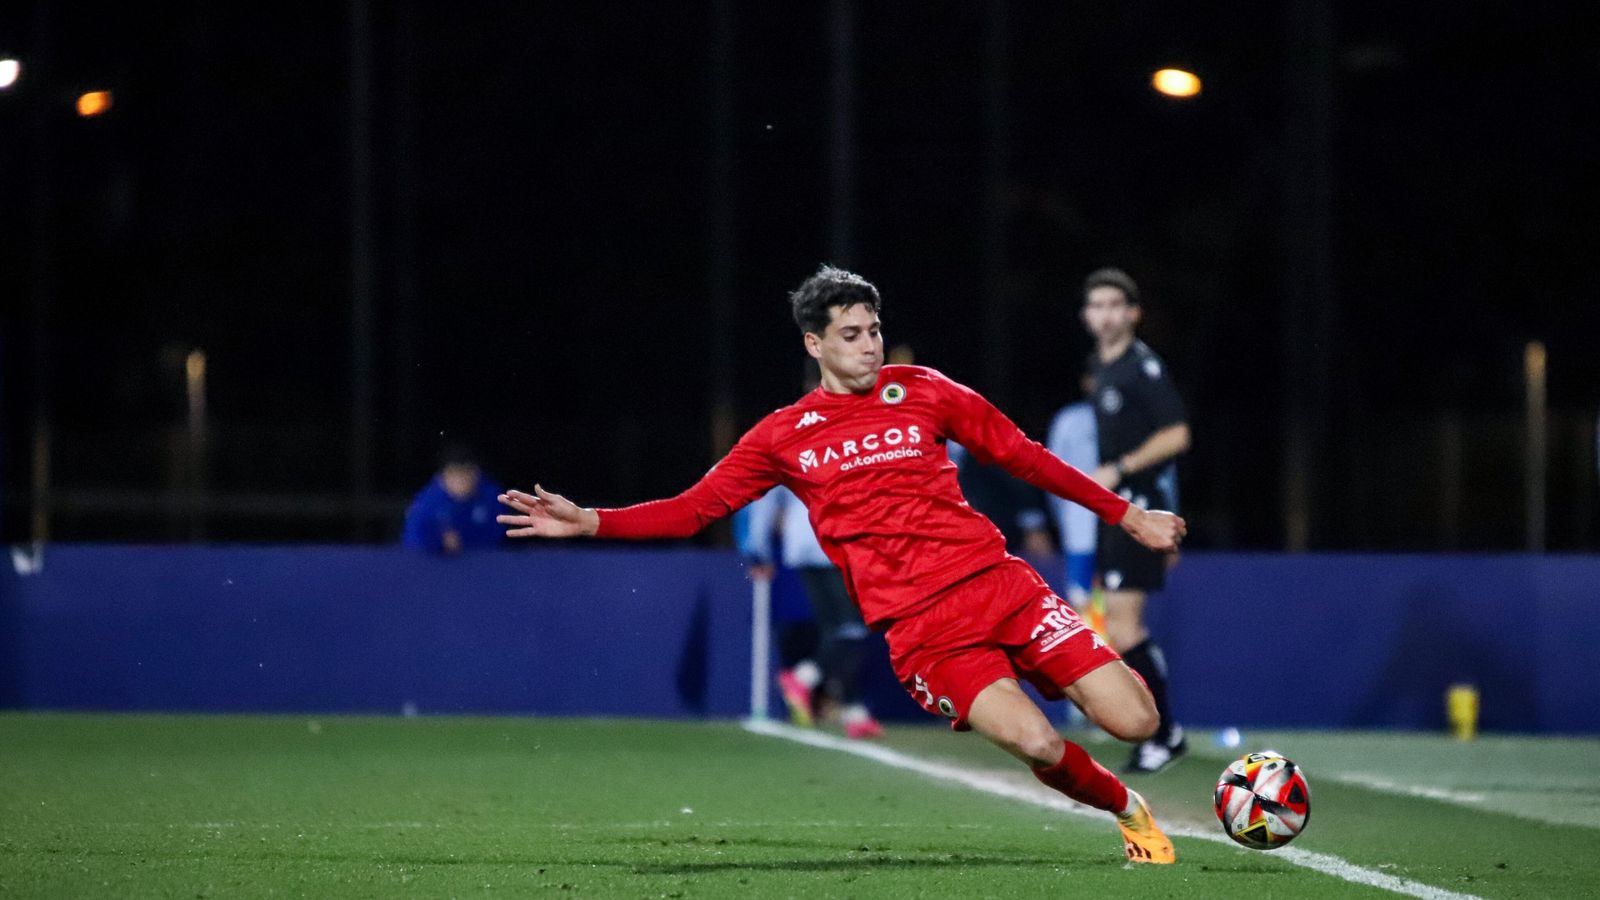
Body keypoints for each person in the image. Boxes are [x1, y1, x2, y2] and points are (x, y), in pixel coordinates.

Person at [497, 265, 1187, 864]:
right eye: (851, 334)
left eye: (874, 329)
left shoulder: (925, 390)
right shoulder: (783, 436)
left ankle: (1089, 691)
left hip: (1001, 586)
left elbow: (1022, 455)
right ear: (815, 343)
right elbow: (694, 509)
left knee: (1137, 723)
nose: (869, 345)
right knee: (1036, 743)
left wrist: (1126, 514)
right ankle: (1129, 810)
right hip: (925, 631)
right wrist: (592, 519)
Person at [1080, 268, 1192, 774]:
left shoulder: (1141, 368)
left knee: (1125, 627)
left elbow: (1176, 436)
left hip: (1138, 506)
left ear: (1132, 313)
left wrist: (1120, 469)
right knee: (1117, 625)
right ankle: (1159, 730)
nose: (1104, 314)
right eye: (1096, 305)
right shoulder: (1100, 365)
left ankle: (1165, 733)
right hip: (1116, 510)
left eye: (1113, 305)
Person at [740, 482, 883, 739]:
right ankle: (803, 677)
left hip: (802, 543)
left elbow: (765, 498)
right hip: (837, 540)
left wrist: (758, 549)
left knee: (834, 630)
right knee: (853, 629)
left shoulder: (789, 447)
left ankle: (854, 712)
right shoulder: (854, 446)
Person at [402, 445, 506, 555]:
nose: (461, 480)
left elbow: (498, 536)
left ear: (476, 473)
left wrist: (464, 542)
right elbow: (413, 541)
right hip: (438, 567)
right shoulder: (427, 502)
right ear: (442, 476)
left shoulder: (491, 497)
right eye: (454, 473)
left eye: (466, 472)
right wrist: (439, 542)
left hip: (483, 565)